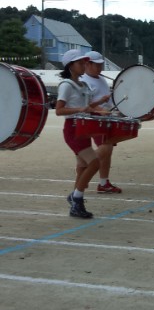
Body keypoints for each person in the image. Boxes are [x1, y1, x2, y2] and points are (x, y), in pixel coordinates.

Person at [55, 49, 112, 219]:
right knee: (94, 163)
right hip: (73, 129)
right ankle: (76, 199)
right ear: (70, 66)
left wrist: (100, 105)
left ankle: (75, 199)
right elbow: (59, 110)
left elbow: (88, 107)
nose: (84, 66)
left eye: (85, 62)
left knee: (82, 167)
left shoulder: (83, 85)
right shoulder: (66, 85)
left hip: (84, 128)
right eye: (81, 63)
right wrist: (81, 109)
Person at [82, 51, 122, 193]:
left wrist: (116, 110)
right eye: (97, 65)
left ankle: (104, 183)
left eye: (101, 65)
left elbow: (108, 100)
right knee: (106, 147)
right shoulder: (84, 80)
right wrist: (100, 111)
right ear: (87, 64)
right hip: (94, 118)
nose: (100, 68)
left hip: (106, 118)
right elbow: (87, 102)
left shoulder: (102, 79)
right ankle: (85, 167)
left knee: (108, 150)